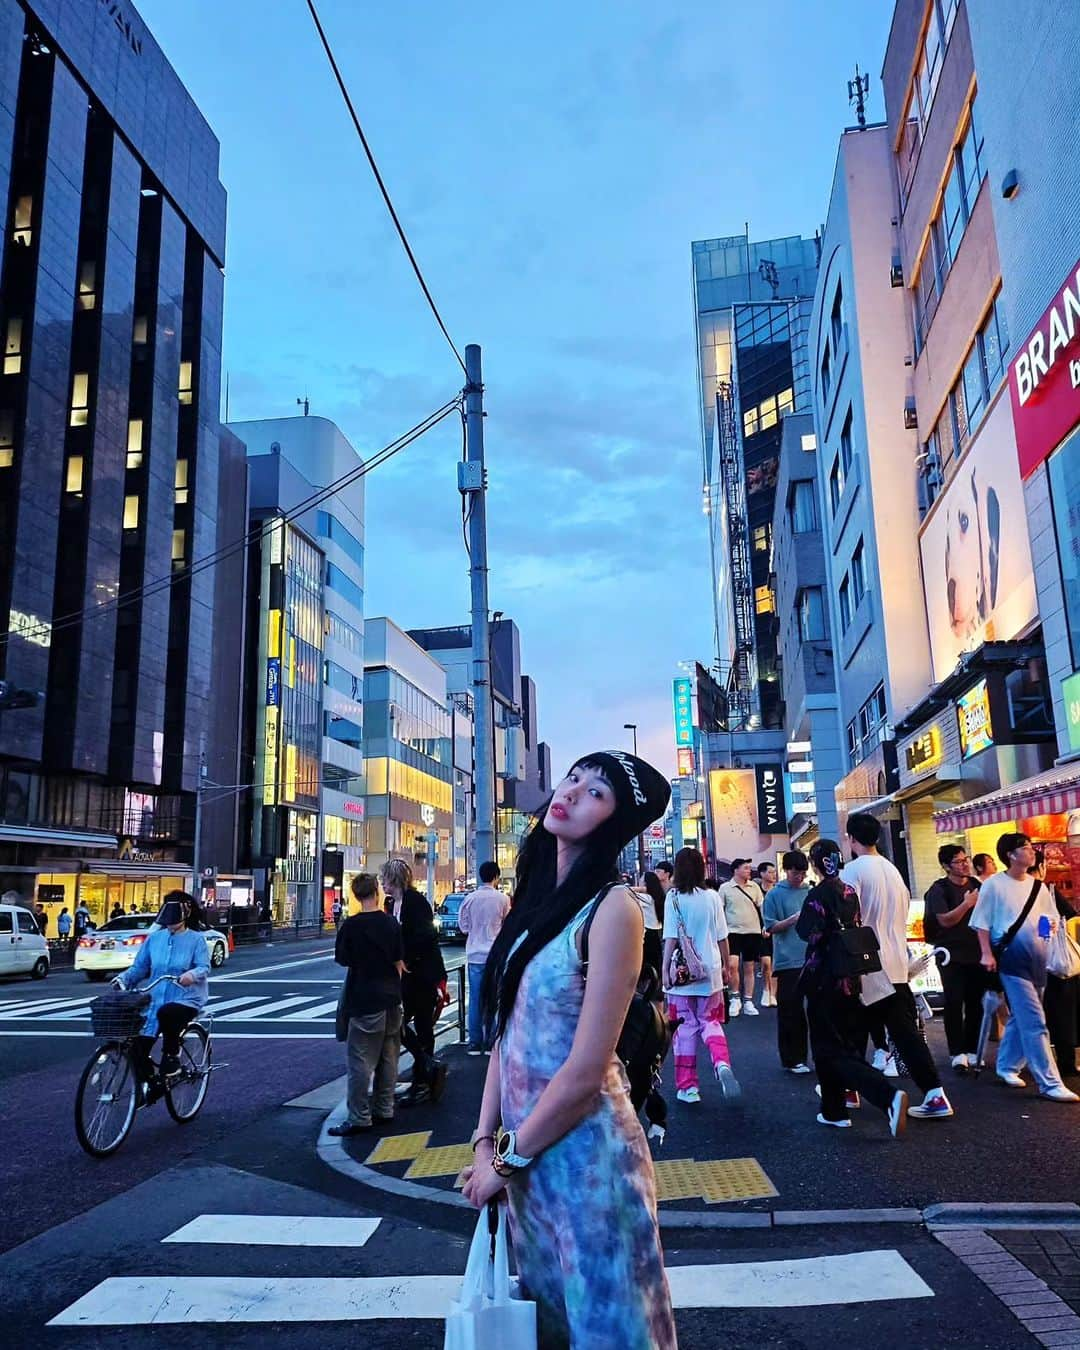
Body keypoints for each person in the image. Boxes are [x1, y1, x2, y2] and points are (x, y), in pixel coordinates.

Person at [461, 751, 676, 1348]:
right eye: (574, 777)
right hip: (530, 1165)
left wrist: (503, 1163)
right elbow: (508, 1036)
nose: (574, 791)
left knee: (608, 1332)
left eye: (597, 792)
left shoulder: (614, 909)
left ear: (617, 822)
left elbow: (586, 1071)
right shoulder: (533, 904)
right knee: (550, 1330)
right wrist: (485, 1143)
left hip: (592, 1166)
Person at [842, 813, 954, 1120]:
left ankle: (852, 1091)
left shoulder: (852, 871)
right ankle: (934, 1094)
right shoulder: (893, 871)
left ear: (852, 838)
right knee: (905, 1034)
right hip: (896, 964)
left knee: (848, 1031)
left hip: (865, 966)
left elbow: (849, 920)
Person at [797, 840, 908, 1135]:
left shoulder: (816, 895)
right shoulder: (850, 893)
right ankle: (834, 1110)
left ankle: (887, 1096)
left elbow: (807, 933)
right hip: (852, 977)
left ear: (816, 863)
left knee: (828, 1047)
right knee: (840, 1043)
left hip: (824, 979)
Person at [971, 834, 1077, 1101]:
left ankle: (1006, 1066)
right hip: (1011, 960)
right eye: (1025, 848)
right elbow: (981, 923)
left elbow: (1049, 918)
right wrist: (986, 954)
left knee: (1023, 1016)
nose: (1032, 853)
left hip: (1038, 961)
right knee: (1035, 1021)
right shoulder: (993, 886)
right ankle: (1050, 1082)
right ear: (1010, 854)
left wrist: (1046, 933)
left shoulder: (1038, 887)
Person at [329, 873, 404, 1135]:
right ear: (376, 891)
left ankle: (360, 1116)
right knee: (389, 1054)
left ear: (356, 895)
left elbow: (343, 959)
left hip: (364, 997)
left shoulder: (351, 926)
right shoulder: (391, 924)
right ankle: (385, 1108)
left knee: (361, 1059)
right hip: (392, 997)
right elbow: (398, 958)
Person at [663, 845, 738, 1103]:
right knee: (711, 1022)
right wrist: (727, 967)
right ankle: (721, 1063)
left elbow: (671, 938)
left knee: (684, 1028)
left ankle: (688, 1088)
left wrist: (664, 970)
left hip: (682, 974)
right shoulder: (712, 897)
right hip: (711, 971)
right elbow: (722, 937)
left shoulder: (673, 897)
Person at [115, 891, 209, 1092]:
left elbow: (203, 966)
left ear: (185, 914)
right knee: (136, 1047)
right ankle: (151, 1085)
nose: (170, 922)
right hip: (155, 999)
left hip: (186, 998)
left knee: (168, 1013)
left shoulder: (196, 940)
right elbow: (140, 967)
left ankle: (171, 1056)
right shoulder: (154, 939)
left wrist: (191, 975)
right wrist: (124, 980)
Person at [380, 859, 448, 1106]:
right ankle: (427, 1068)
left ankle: (424, 1080)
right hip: (407, 974)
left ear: (395, 878)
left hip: (421, 973)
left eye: (385, 879)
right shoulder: (391, 904)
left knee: (419, 1023)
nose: (382, 884)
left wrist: (406, 957)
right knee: (399, 1021)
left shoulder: (414, 902)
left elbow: (426, 935)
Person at [923, 844, 986, 1073]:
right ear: (946, 866)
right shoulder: (939, 889)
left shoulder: (977, 885)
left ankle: (972, 1049)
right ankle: (956, 1052)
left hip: (977, 952)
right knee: (953, 1001)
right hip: (950, 954)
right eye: (959, 861)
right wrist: (967, 904)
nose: (965, 864)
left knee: (975, 1002)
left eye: (966, 859)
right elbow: (945, 920)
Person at [763, 851, 811, 1073]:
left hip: (812, 957)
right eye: (795, 873)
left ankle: (813, 1056)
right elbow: (770, 927)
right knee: (790, 1011)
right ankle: (792, 1059)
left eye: (802, 873)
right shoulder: (774, 895)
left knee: (817, 1011)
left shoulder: (810, 892)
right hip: (787, 960)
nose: (799, 877)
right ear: (786, 870)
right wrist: (793, 920)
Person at [458, 860, 510, 1054]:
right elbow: (507, 926)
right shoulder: (503, 899)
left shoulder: (470, 898)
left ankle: (474, 1041)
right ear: (496, 877)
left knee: (475, 998)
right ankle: (491, 1040)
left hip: (475, 954)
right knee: (494, 998)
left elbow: (463, 926)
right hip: (495, 954)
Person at [719, 859, 765, 1016]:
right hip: (732, 932)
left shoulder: (755, 887)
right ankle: (735, 998)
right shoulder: (725, 888)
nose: (749, 871)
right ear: (735, 870)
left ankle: (748, 1000)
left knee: (749, 967)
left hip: (752, 931)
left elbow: (762, 908)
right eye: (745, 868)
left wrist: (766, 925)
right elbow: (720, 911)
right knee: (732, 965)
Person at [637, 870, 667, 982]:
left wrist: (641, 889)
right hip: (657, 933)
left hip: (648, 934)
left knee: (646, 966)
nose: (639, 881)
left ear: (645, 883)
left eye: (641, 879)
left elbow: (627, 891)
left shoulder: (645, 898)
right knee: (656, 965)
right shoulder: (657, 897)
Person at [757, 861, 778, 1006]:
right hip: (761, 931)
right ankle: (766, 989)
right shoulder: (756, 890)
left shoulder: (778, 891)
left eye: (774, 871)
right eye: (770, 872)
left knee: (775, 964)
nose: (773, 874)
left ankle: (773, 994)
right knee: (766, 963)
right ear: (762, 874)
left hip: (777, 930)